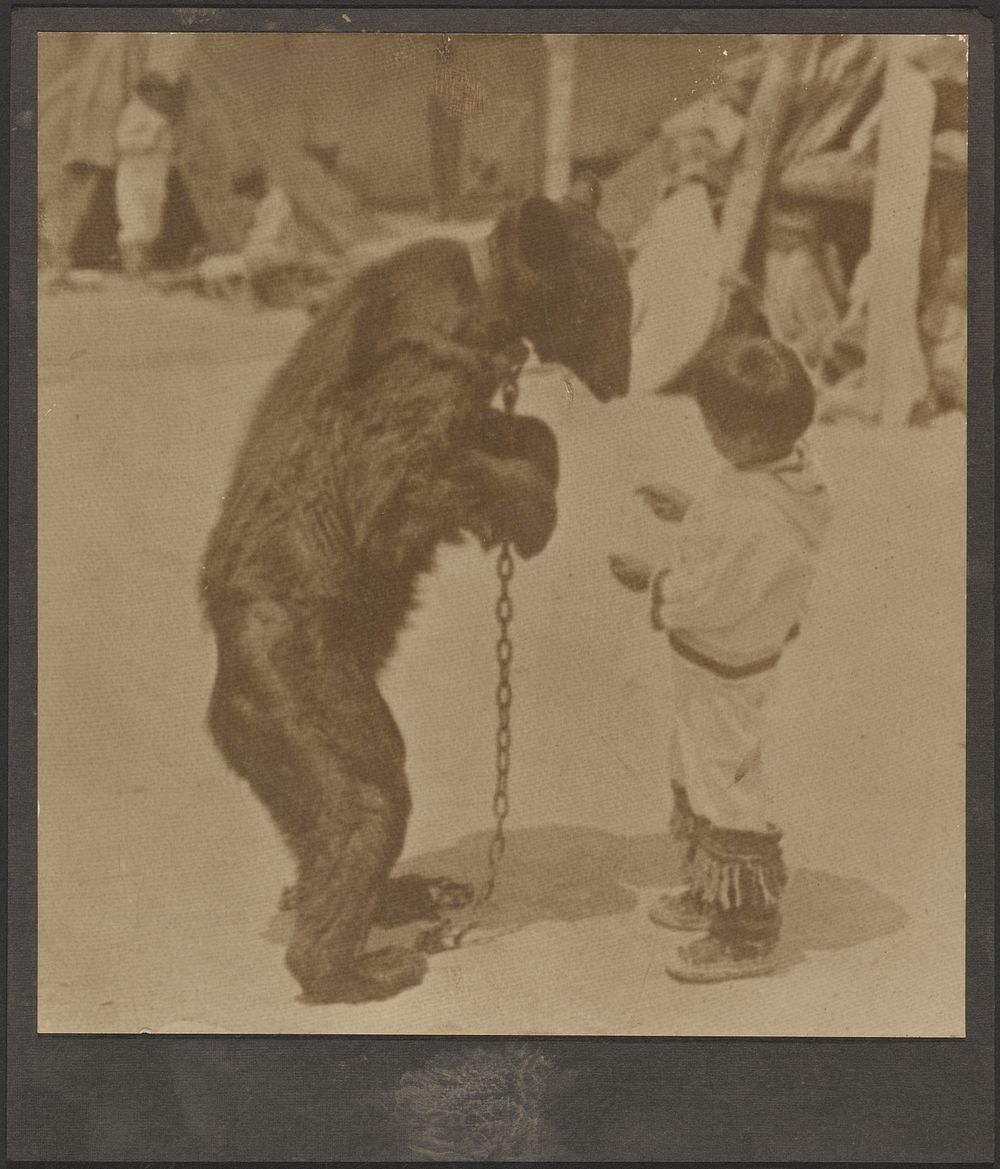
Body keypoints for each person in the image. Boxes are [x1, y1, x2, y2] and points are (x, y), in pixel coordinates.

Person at [610, 336, 831, 982]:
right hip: (719, 660)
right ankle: (716, 885)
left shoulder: (760, 520)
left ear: (746, 437)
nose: (708, 435)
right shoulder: (783, 473)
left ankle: (749, 930)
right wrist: (693, 509)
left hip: (726, 662)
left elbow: (713, 592)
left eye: (715, 427)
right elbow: (737, 524)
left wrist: (653, 580)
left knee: (727, 786)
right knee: (694, 765)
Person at [196, 166, 302, 304]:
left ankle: (239, 303)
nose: (248, 197)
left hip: (277, 252)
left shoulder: (277, 201)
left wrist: (246, 249)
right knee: (210, 265)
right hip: (264, 252)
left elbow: (270, 236)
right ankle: (234, 301)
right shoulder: (266, 202)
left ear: (257, 186)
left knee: (213, 267)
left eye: (248, 193)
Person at [114, 72, 180, 277]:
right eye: (158, 92)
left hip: (154, 175)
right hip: (135, 176)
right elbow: (123, 143)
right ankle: (134, 272)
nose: (162, 97)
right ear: (147, 93)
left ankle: (144, 270)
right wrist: (152, 136)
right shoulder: (135, 112)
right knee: (135, 223)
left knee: (152, 224)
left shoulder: (158, 115)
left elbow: (168, 148)